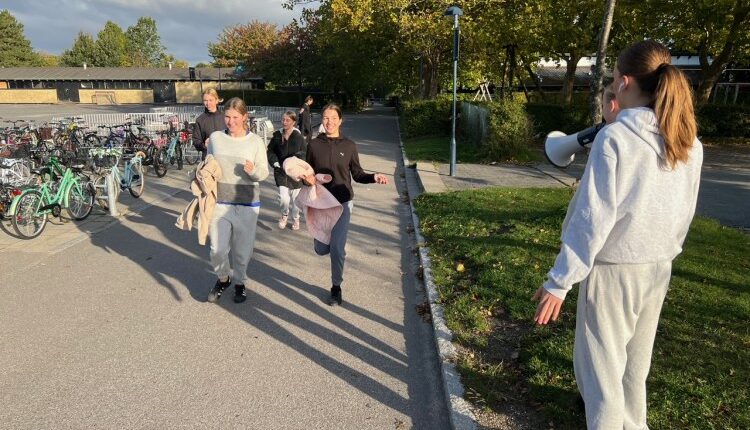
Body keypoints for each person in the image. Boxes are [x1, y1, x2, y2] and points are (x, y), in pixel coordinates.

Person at [532, 40, 703, 429]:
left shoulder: (615, 140)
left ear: (625, 82)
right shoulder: (688, 142)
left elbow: (592, 220)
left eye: (613, 82)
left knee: (602, 380)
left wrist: (560, 282)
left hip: (612, 273)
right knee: (632, 373)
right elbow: (685, 212)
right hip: (658, 269)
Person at [302, 103, 388, 306]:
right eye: (325, 118)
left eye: (333, 118)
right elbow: (307, 173)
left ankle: (336, 288)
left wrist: (374, 177)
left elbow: (357, 175)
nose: (329, 122)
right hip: (321, 204)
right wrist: (306, 179)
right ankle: (334, 246)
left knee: (338, 249)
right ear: (321, 120)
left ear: (340, 120)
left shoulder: (349, 145)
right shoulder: (314, 145)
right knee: (322, 249)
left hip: (342, 203)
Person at [206, 97, 269, 304]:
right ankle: (223, 278)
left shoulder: (255, 142)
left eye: (235, 117)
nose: (230, 121)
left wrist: (253, 171)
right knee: (217, 249)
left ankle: (240, 283)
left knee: (242, 252)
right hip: (219, 202)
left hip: (247, 204)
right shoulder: (215, 138)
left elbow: (264, 173)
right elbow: (208, 165)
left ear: (244, 117)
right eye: (227, 116)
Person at [267, 110, 306, 230]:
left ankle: (296, 218)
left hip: (296, 173)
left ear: (293, 122)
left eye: (287, 120)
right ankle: (284, 215)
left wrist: (296, 158)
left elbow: (304, 152)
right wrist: (275, 162)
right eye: (283, 119)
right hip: (281, 171)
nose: (284, 122)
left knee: (295, 202)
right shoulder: (277, 135)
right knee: (284, 198)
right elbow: (270, 151)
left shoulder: (299, 137)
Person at [192, 88, 225, 161]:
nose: (208, 103)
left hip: (225, 158)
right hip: (208, 160)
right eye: (205, 100)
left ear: (216, 100)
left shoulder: (225, 117)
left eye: (210, 100)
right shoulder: (200, 120)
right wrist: (204, 145)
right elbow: (196, 140)